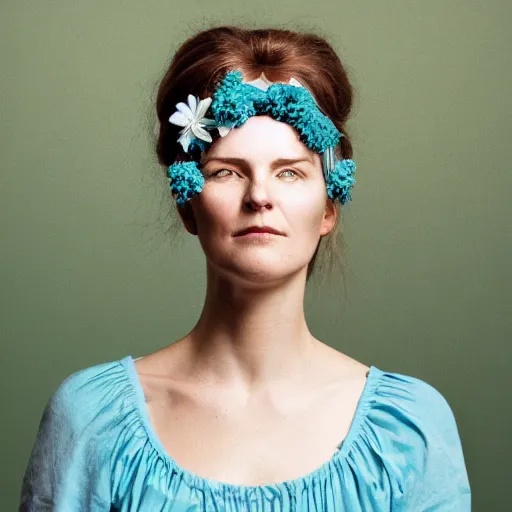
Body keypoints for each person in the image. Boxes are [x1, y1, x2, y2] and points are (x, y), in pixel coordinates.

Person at [19, 25, 471, 511]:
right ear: (187, 203)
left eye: (290, 172)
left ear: (328, 207)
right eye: (227, 172)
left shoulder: (410, 431)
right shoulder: (91, 421)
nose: (259, 197)